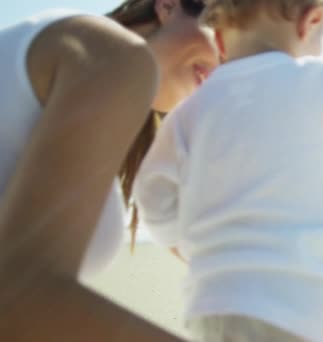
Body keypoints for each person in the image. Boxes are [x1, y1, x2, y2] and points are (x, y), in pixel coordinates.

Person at [132, 0, 323, 341]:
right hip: (312, 307)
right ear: (310, 22)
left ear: (217, 35)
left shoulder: (189, 113)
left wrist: (193, 244)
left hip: (215, 307)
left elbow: (152, 193)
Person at [0, 0, 218, 340]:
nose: (227, 65)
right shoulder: (113, 53)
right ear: (169, 5)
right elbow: (18, 298)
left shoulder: (74, 51)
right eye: (224, 32)